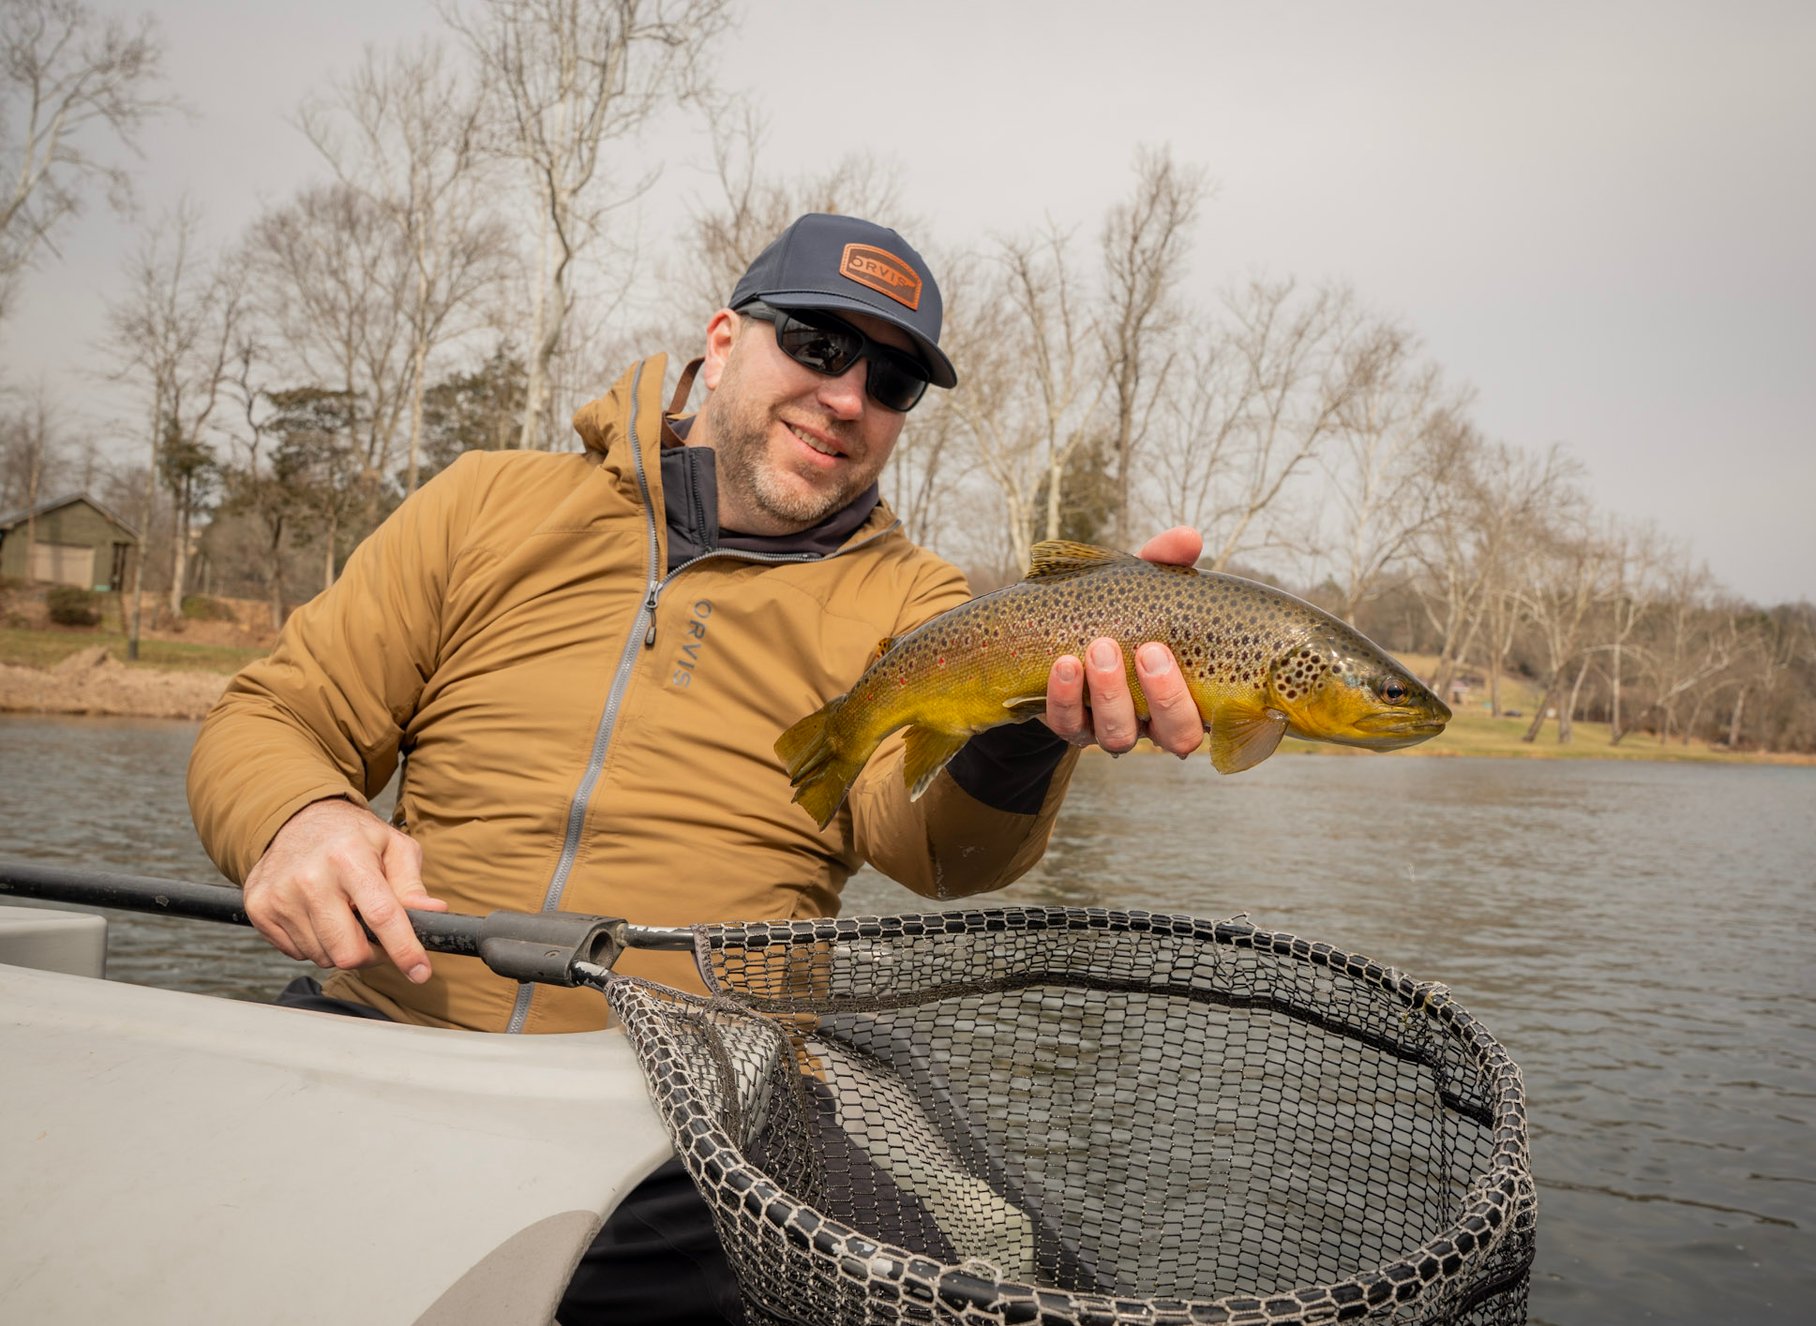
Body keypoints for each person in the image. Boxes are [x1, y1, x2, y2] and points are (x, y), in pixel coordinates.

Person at [186, 212, 1205, 1322]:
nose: (849, 396)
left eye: (896, 380)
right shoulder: (486, 503)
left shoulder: (919, 606)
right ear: (723, 340)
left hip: (701, 1127)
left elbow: (937, 856)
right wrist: (300, 817)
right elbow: (272, 716)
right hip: (384, 1037)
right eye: (818, 343)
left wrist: (1020, 723)